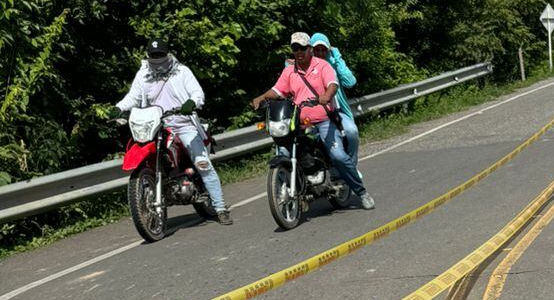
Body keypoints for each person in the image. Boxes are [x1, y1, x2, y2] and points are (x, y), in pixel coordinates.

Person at [250, 32, 374, 209]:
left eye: (302, 48)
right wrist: (261, 98)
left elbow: (333, 84)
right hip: (299, 122)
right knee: (284, 152)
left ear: (309, 49)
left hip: (323, 120)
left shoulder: (322, 66)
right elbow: (277, 91)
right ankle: (297, 190)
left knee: (338, 156)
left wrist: (326, 95)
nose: (299, 52)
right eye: (295, 48)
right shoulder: (289, 71)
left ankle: (361, 192)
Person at [114, 38, 231, 223]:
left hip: (184, 124)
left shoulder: (181, 71)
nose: (157, 58)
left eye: (160, 54)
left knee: (202, 163)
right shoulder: (143, 74)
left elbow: (197, 93)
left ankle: (220, 207)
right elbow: (133, 97)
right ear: (148, 56)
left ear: (167, 54)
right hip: (156, 125)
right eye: (153, 55)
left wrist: (192, 103)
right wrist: (119, 108)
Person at [310, 32, 360, 167]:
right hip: (312, 114)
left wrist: (337, 57)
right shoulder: (306, 67)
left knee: (351, 132)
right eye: (316, 50)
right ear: (311, 50)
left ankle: (352, 166)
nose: (320, 53)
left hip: (336, 112)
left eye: (323, 50)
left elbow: (350, 82)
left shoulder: (333, 64)